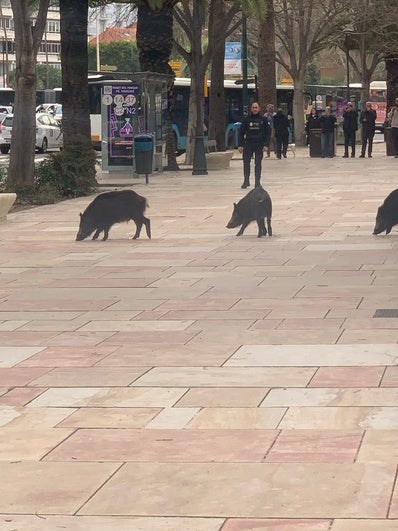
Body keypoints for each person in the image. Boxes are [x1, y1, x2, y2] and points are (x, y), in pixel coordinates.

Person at [238, 101, 271, 189]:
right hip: (248, 144)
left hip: (259, 144)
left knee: (258, 164)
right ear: (251, 109)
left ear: (259, 109)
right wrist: (240, 145)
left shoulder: (263, 120)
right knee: (246, 163)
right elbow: (241, 132)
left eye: (256, 107)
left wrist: (266, 145)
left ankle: (257, 182)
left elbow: (268, 133)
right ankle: (246, 180)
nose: (255, 109)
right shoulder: (246, 119)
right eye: (253, 107)